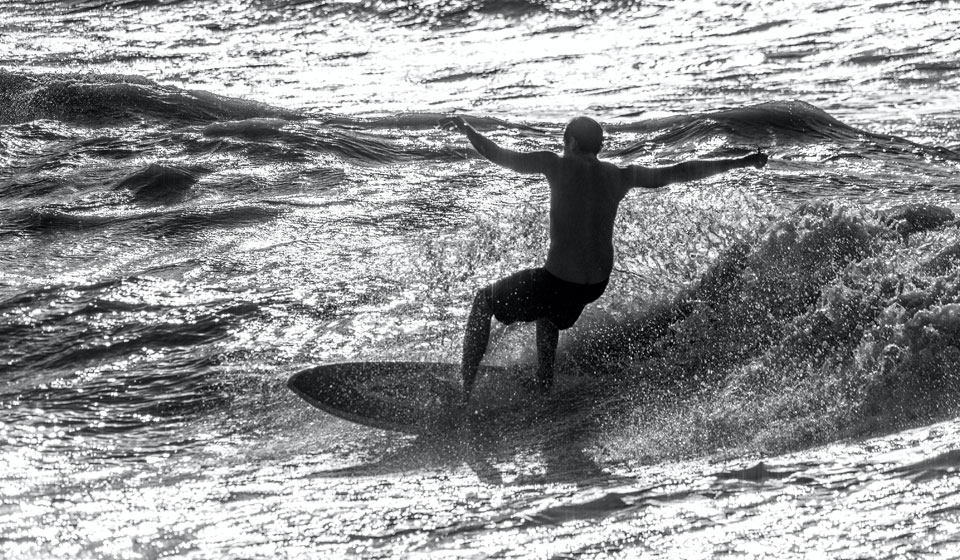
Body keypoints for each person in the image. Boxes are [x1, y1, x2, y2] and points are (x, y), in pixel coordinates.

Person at [440, 115, 767, 401]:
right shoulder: (620, 176)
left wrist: (467, 129)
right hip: (593, 286)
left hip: (560, 283)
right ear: (598, 146)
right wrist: (741, 162)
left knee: (485, 300)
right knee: (549, 312)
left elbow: (500, 155)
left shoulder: (555, 164)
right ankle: (544, 383)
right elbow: (681, 171)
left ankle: (464, 393)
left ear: (569, 142)